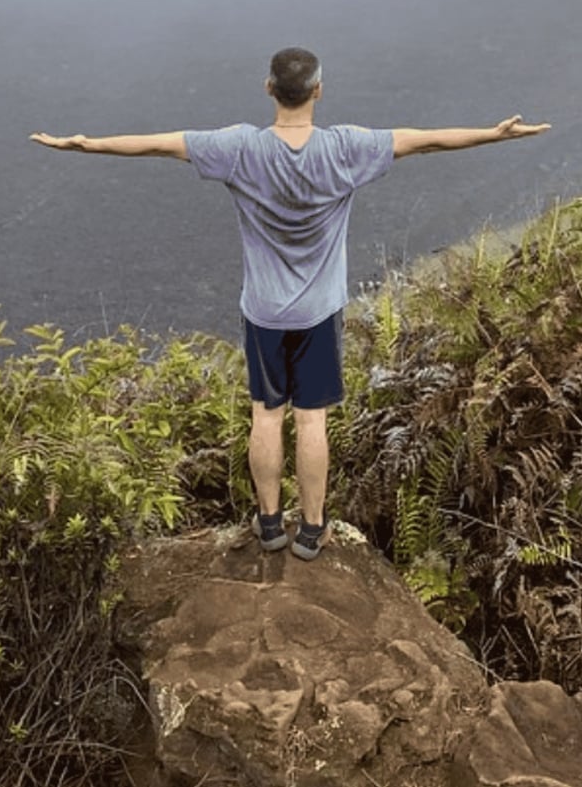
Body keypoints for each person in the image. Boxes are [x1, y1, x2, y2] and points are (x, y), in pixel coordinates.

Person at [30, 47, 549, 560]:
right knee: (311, 420)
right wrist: (494, 134)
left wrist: (87, 145)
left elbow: (159, 145)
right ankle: (312, 529)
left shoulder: (239, 148)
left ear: (269, 89)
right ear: (318, 91)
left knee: (266, 415)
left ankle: (270, 524)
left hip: (264, 312)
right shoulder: (346, 148)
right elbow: (425, 140)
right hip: (319, 312)